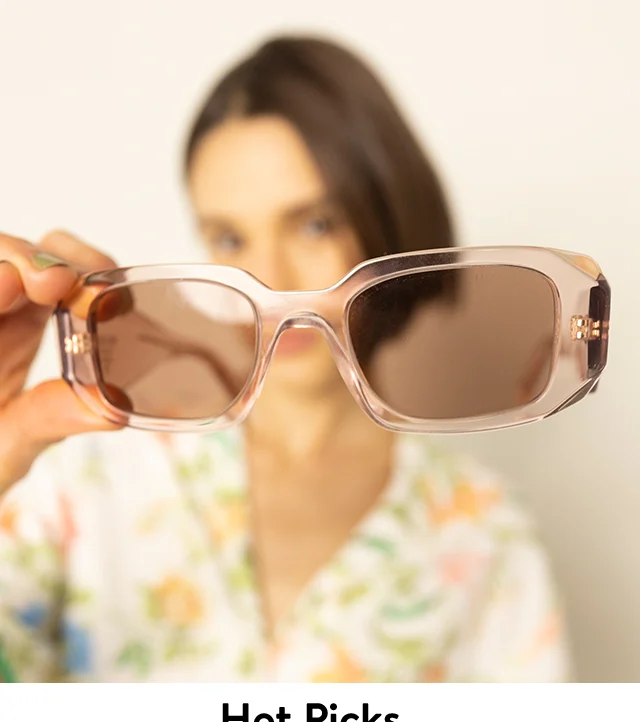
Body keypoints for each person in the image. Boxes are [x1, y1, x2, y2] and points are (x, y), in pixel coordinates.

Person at [0, 36, 569, 682]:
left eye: (315, 223)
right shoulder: (82, 475)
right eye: (230, 237)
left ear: (389, 216)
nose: (268, 278)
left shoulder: (485, 530)